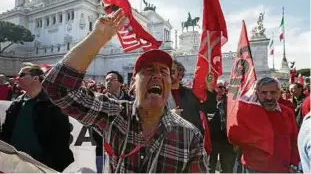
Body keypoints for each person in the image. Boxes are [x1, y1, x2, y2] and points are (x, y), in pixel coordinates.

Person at [41, 9, 208, 173]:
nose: (157, 75)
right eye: (148, 70)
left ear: (170, 83)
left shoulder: (190, 136)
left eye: (164, 72)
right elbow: (58, 88)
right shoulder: (114, 114)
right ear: (133, 82)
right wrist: (98, 38)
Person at [0, 63, 74, 172]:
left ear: (35, 78)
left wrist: (51, 165)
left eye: (22, 74)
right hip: (15, 165)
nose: (17, 78)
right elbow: (6, 132)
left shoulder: (53, 105)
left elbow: (61, 139)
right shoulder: (16, 104)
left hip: (43, 167)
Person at [237, 77, 300, 173]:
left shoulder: (287, 112)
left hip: (283, 168)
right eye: (264, 93)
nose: (269, 97)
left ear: (279, 93)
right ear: (257, 93)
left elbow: (294, 139)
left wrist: (294, 162)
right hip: (256, 168)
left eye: (273, 92)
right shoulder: (248, 113)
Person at [92, 70, 133, 173]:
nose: (108, 82)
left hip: (126, 151)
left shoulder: (132, 101)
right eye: (106, 80)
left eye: (112, 79)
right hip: (104, 150)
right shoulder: (98, 101)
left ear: (120, 83)